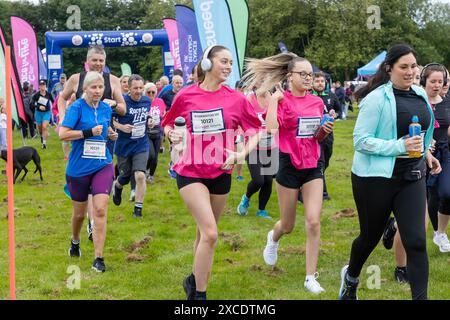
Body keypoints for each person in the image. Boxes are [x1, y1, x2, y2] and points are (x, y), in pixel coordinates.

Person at [339, 44, 441, 301]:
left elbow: (424, 132)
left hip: (412, 177)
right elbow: (360, 141)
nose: (410, 72)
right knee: (369, 237)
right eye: (403, 67)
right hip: (376, 180)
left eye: (413, 66)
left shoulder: (419, 95)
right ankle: (350, 278)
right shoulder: (376, 99)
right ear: (389, 69)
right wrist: (399, 146)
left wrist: (426, 153)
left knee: (416, 241)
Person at [162, 45, 262, 300]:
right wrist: (171, 133)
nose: (229, 66)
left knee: (202, 235)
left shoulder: (236, 99)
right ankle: (200, 296)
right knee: (210, 233)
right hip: (191, 170)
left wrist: (241, 155)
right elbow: (168, 121)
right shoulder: (186, 96)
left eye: (231, 62)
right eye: (224, 61)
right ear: (207, 64)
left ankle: (192, 281)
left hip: (221, 173)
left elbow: (256, 130)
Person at [243, 52, 334, 294]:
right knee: (289, 224)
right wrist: (274, 101)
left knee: (313, 221)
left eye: (310, 74)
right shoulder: (281, 100)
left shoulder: (316, 102)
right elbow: (271, 129)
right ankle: (273, 238)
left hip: (313, 164)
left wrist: (324, 129)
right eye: (302, 74)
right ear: (290, 76)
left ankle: (310, 277)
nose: (308, 78)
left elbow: (317, 136)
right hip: (288, 165)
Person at [58, 45, 126, 240]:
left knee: (98, 180)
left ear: (105, 63)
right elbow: (62, 99)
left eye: (101, 61)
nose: (98, 64)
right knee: (85, 178)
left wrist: (114, 104)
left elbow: (123, 108)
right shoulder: (76, 79)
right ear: (87, 62)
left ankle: (92, 221)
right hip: (82, 137)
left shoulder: (112, 80)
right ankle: (88, 221)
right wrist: (63, 118)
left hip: (105, 137)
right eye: (94, 60)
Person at [59, 71, 118, 273]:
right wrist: (86, 133)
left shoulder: (105, 109)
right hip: (78, 168)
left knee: (100, 209)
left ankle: (99, 258)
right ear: (85, 88)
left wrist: (111, 133)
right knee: (79, 215)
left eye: (100, 87)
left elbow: (104, 130)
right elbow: (62, 134)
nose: (98, 91)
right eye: (93, 87)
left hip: (102, 164)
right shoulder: (76, 108)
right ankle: (75, 241)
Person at [112, 74, 152, 218]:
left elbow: (147, 116)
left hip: (141, 143)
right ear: (128, 88)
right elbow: (110, 120)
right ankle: (117, 186)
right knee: (126, 176)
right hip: (123, 145)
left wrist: (150, 121)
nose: (139, 91)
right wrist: (121, 127)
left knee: (140, 175)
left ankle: (138, 209)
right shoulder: (121, 102)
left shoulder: (147, 101)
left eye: (141, 88)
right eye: (135, 88)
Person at [237, 87, 278, 219]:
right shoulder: (250, 98)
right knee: (258, 180)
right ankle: (246, 198)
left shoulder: (274, 98)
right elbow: (241, 121)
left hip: (271, 146)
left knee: (268, 181)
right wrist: (241, 140)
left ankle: (261, 210)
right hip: (253, 146)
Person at [311, 72, 339, 200]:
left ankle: (313, 179)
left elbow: (338, 109)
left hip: (329, 135)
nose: (320, 83)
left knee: (325, 162)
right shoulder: (309, 96)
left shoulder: (331, 96)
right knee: (320, 163)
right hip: (314, 135)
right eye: (317, 81)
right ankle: (323, 193)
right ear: (312, 83)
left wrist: (335, 113)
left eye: (322, 81)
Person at [31, 80, 54, 149]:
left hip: (47, 113)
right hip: (38, 113)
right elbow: (31, 104)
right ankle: (42, 137)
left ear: (45, 86)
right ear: (39, 87)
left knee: (44, 127)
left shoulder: (48, 94)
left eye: (43, 85)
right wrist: (38, 106)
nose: (42, 87)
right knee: (40, 129)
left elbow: (54, 102)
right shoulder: (36, 95)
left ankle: (44, 143)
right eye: (41, 85)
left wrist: (56, 109)